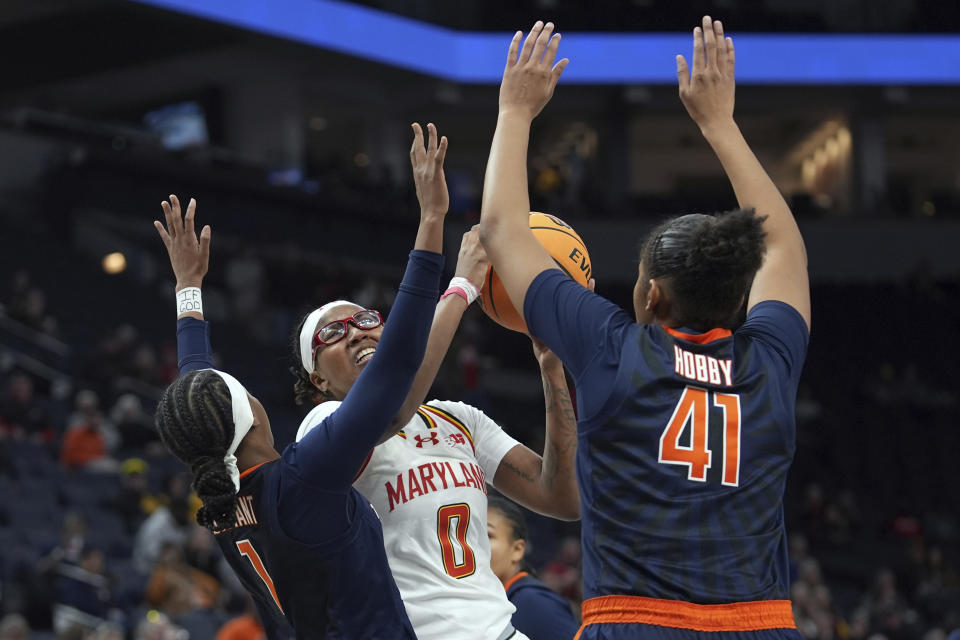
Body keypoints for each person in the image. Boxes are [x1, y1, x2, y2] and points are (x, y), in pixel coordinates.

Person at [181, 124, 581, 640]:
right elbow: (394, 401)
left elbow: (563, 499)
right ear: (317, 380)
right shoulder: (322, 428)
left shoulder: (461, 421)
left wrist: (551, 369)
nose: (356, 332)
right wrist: (458, 283)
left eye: (367, 319)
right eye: (332, 333)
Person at [479, 17, 809, 639]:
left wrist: (516, 110)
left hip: (640, 623)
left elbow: (501, 230)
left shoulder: (611, 349)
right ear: (740, 297)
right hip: (760, 625)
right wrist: (720, 123)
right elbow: (785, 248)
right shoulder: (771, 361)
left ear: (650, 294)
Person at [152, 121, 447, 638]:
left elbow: (194, 382)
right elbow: (396, 363)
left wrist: (189, 286)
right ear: (250, 419)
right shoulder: (305, 478)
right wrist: (432, 220)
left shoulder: (224, 499)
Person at [487, 496, 580, 640]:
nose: (475, 543)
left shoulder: (534, 603)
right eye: (469, 535)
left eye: (488, 535)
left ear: (517, 549)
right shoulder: (488, 602)